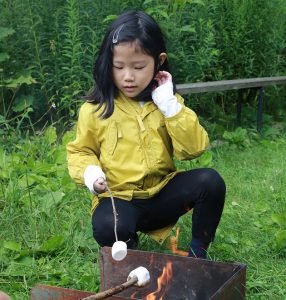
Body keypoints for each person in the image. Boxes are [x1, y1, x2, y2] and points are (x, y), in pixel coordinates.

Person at [66, 10, 225, 259]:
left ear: (159, 61)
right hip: (119, 198)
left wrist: (170, 106)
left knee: (211, 182)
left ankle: (197, 254)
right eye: (119, 67)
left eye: (138, 67)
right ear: (109, 63)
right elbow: (81, 151)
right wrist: (90, 173)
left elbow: (194, 149)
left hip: (162, 193)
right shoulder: (95, 109)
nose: (128, 76)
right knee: (110, 226)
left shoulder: (167, 102)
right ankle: (130, 251)